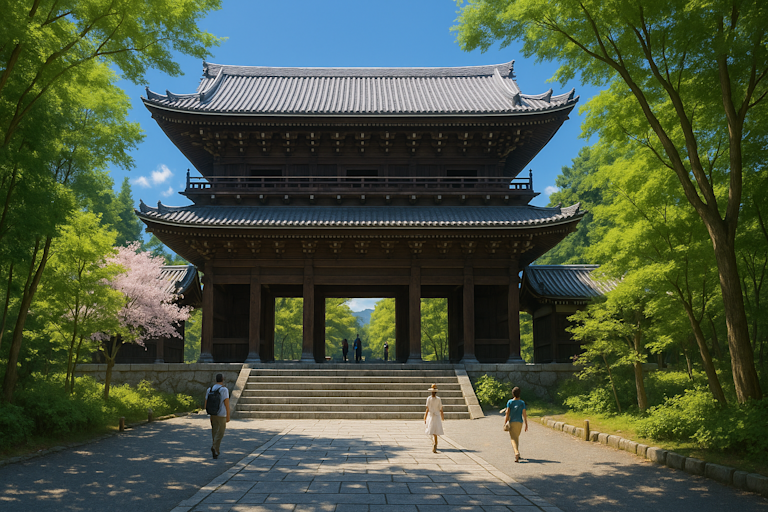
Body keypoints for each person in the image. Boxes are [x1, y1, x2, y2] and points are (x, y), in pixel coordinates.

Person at [204, 373, 230, 459]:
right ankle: (214, 447)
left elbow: (206, 403)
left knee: (214, 431)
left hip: (212, 413)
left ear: (215, 380)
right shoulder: (224, 389)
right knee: (221, 432)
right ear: (223, 379)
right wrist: (228, 415)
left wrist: (209, 411)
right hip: (221, 414)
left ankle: (216, 451)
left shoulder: (210, 389)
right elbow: (226, 403)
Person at [503, 386, 528, 462]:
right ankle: (518, 454)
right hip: (520, 422)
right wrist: (526, 424)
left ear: (513, 394)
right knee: (516, 437)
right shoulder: (522, 403)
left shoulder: (510, 402)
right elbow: (524, 413)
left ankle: (516, 453)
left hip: (512, 422)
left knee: (513, 439)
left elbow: (507, 413)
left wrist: (505, 422)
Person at [424, 383, 445, 453]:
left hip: (432, 415)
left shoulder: (429, 399)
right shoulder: (437, 399)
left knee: (432, 429)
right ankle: (435, 442)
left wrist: (425, 416)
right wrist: (442, 416)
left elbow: (427, 408)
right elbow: (440, 409)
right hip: (435, 415)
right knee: (434, 429)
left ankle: (435, 443)